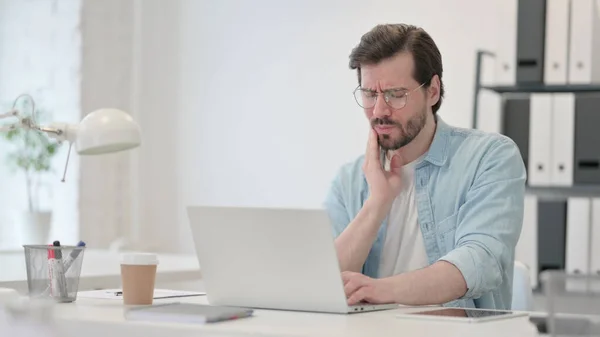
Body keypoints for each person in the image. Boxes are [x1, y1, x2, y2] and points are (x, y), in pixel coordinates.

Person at [324, 23, 526, 310]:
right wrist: (378, 201)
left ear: (432, 91)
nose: (380, 110)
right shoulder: (349, 180)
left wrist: (380, 290)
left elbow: (480, 260)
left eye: (395, 94)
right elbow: (324, 284)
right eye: (370, 94)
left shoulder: (489, 157)